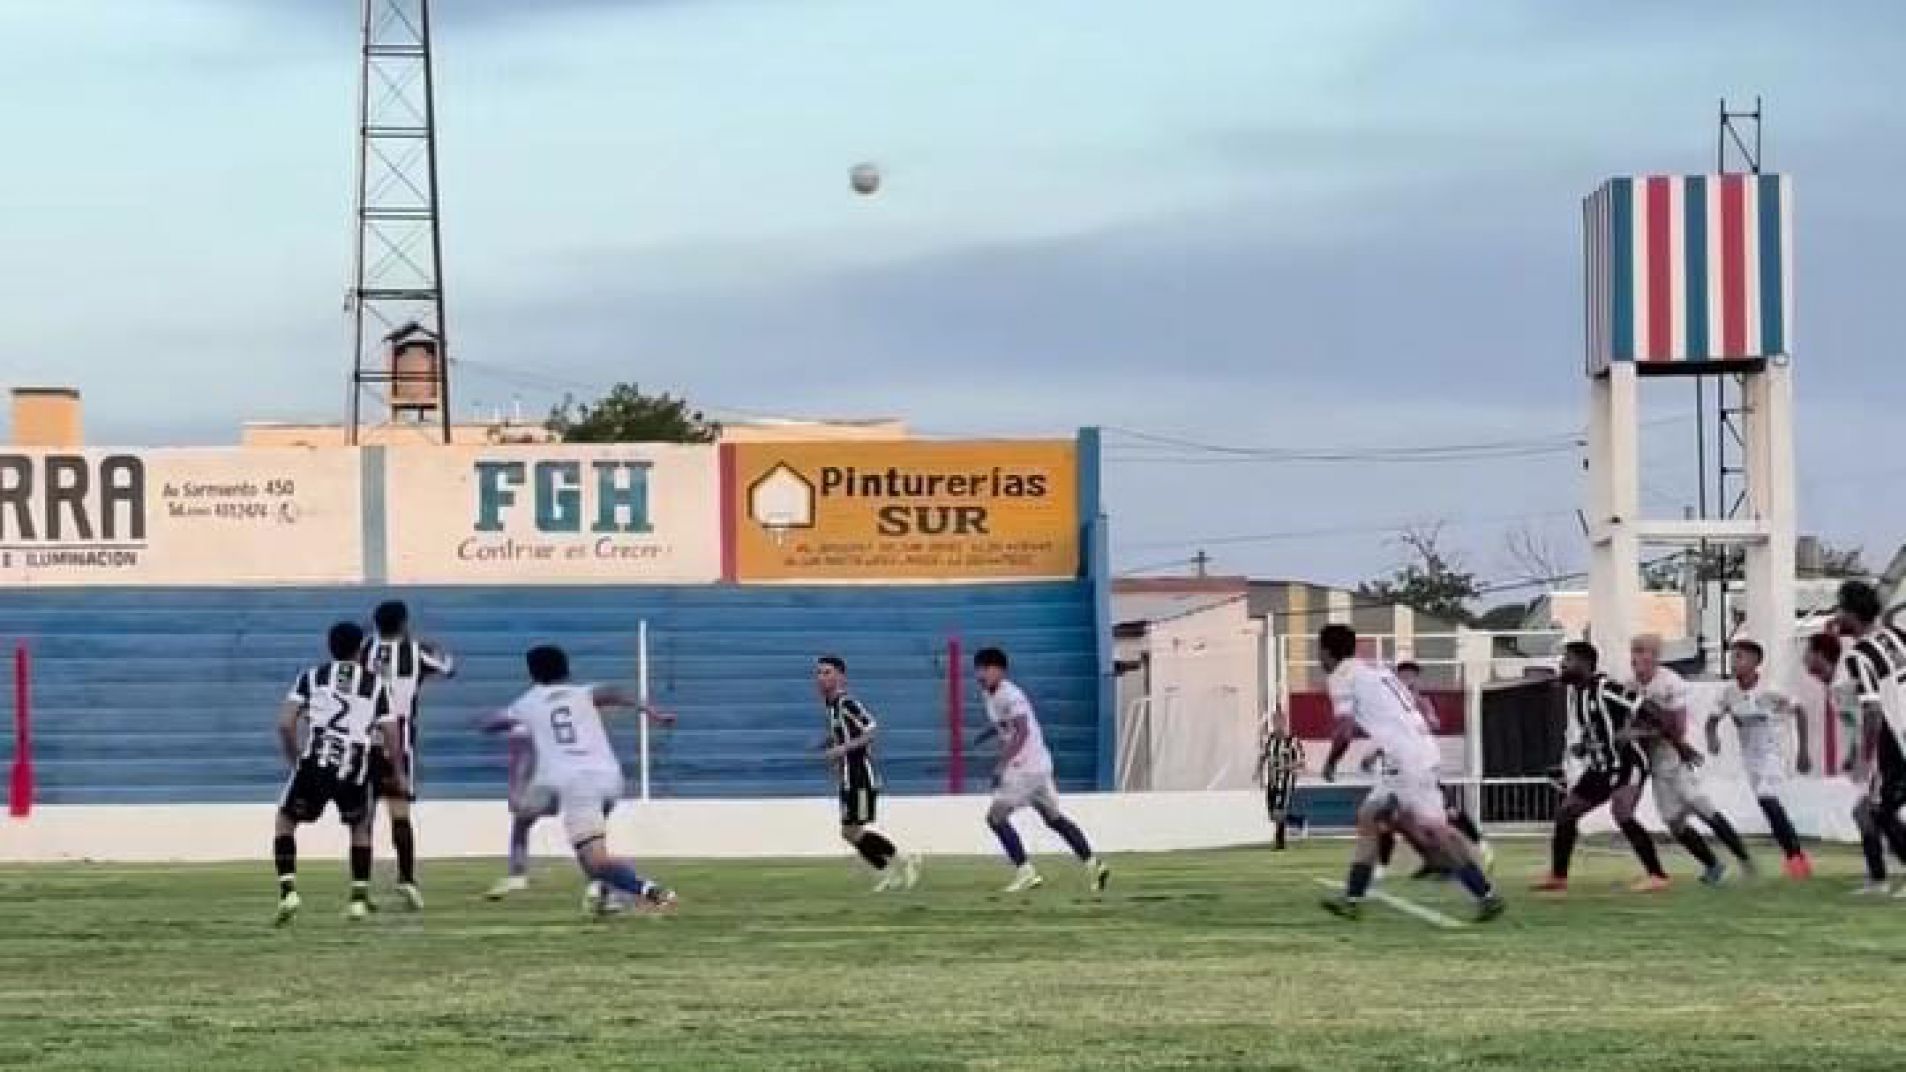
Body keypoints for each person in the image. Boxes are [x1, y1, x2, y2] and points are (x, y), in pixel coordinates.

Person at [1316, 626, 1503, 922]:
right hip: (1424, 752)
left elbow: (1345, 729)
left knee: (1380, 821)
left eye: (1320, 651)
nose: (1320, 658)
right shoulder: (1378, 672)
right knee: (1416, 826)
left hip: (1403, 760)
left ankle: (1353, 898)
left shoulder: (1341, 676)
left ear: (1326, 651)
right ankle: (1485, 894)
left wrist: (1330, 762)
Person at [478, 645, 678, 915]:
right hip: (609, 778)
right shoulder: (582, 692)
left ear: (532, 674)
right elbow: (615, 692)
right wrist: (652, 712)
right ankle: (605, 898)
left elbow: (493, 723)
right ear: (567, 669)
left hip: (575, 784)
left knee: (595, 859)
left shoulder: (527, 703)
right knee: (546, 825)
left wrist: (489, 722)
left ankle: (652, 892)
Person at [272, 622, 400, 925]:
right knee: (359, 826)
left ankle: (288, 891)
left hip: (316, 758)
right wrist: (393, 770)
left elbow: (285, 723)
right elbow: (391, 732)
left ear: (330, 646)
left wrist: (295, 758)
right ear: (360, 649)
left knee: (286, 821)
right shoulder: (376, 683)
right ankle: (358, 899)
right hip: (355, 760)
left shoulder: (312, 677)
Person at [1535, 641, 1672, 894]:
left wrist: (1635, 732)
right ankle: (1558, 876)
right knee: (1566, 813)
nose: (1562, 665)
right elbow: (1600, 729)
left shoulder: (1606, 688)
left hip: (1627, 764)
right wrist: (1586, 747)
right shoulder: (1578, 694)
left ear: (1584, 664)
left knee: (1622, 812)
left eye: (1568, 660)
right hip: (1600, 768)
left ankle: (1657, 875)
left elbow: (1654, 711)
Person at [973, 647, 1110, 894]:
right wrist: (984, 735)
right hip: (1039, 765)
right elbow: (1004, 724)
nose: (980, 674)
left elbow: (1022, 731)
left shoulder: (1011, 695)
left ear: (999, 671)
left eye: (985, 668)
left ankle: (1026, 873)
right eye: (978, 668)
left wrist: (1001, 765)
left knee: (995, 818)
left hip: (1024, 767)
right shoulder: (989, 694)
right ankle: (1095, 866)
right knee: (1054, 819)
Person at [1627, 634, 1754, 884]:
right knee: (1673, 822)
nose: (1636, 657)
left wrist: (1643, 732)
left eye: (1643, 651)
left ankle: (1746, 860)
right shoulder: (1630, 686)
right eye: (1634, 650)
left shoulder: (1670, 683)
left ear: (1655, 656)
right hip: (1655, 762)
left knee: (1701, 805)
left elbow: (1677, 725)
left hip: (1675, 756)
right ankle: (1713, 865)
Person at [357, 600, 455, 910]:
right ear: (403, 623)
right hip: (399, 740)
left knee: (363, 817)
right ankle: (407, 880)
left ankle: (360, 889)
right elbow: (449, 667)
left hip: (362, 739)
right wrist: (430, 649)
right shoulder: (415, 652)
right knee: (399, 813)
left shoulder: (364, 650)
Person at [1372, 660, 1491, 880]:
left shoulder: (1420, 702)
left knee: (1445, 813)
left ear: (1417, 679)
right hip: (1399, 768)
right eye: (1403, 675)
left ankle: (1476, 847)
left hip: (1421, 766)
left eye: (1411, 675)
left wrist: (1422, 718)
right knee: (1392, 816)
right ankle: (1404, 863)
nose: (1407, 679)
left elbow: (1434, 724)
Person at [1706, 638, 1813, 878]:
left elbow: (1800, 711)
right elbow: (1712, 720)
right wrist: (1712, 738)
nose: (1734, 661)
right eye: (1733, 656)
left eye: (1740, 656)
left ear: (1756, 662)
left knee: (1767, 798)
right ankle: (1794, 855)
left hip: (1775, 752)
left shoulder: (1771, 690)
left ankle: (1796, 858)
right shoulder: (1729, 693)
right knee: (1767, 805)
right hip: (1751, 758)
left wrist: (1803, 751)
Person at [815, 656, 921, 892]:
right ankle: (888, 870)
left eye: (827, 672)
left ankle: (903, 860)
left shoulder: (846, 703)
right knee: (849, 832)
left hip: (860, 776)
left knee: (853, 830)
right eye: (819, 673)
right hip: (847, 776)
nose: (821, 678)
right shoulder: (831, 707)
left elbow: (871, 730)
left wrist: (842, 749)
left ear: (841, 676)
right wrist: (830, 744)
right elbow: (845, 734)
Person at [1834, 582, 1906, 897]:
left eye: (1840, 610)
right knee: (1870, 811)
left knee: (1877, 811)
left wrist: (1864, 759)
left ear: (1852, 613)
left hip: (1899, 743)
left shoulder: (1860, 656)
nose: (1836, 617)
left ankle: (1879, 880)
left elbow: (1874, 710)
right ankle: (1878, 880)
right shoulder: (1898, 636)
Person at [1259, 707, 1305, 851]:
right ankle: (1297, 821)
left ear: (1284, 722)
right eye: (1274, 721)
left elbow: (1300, 762)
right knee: (1272, 814)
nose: (1276, 724)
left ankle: (1280, 842)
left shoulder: (1293, 741)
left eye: (1279, 721)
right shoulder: (1270, 739)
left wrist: (1284, 767)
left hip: (1286, 781)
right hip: (1272, 781)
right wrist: (1258, 769)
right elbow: (1264, 755)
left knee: (1280, 811)